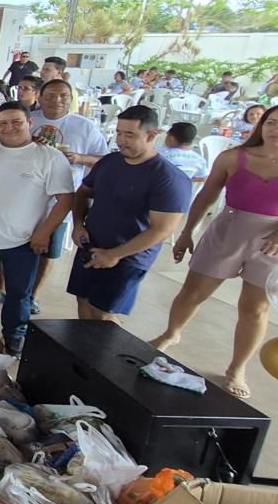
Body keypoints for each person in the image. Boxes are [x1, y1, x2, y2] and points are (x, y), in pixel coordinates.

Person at [153, 105, 278, 399]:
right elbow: (206, 196)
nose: (276, 130)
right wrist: (186, 232)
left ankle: (237, 368)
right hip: (229, 229)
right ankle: (172, 332)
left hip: (272, 240)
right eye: (272, 123)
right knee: (193, 292)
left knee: (255, 308)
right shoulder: (234, 156)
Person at [0, 102, 75, 355]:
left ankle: (14, 334)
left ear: (29, 123)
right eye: (2, 123)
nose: (9, 128)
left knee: (19, 292)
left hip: (24, 240)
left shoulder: (50, 157)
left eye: (16, 122)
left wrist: (44, 232)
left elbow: (66, 199)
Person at [68, 105, 193, 322]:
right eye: (118, 133)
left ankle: (103, 355)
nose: (121, 140)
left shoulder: (168, 178)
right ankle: (82, 352)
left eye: (130, 135)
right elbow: (83, 193)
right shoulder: (109, 162)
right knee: (83, 301)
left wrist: (115, 254)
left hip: (128, 257)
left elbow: (162, 229)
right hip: (92, 245)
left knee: (103, 313)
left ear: (152, 134)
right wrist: (78, 224)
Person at [26, 79, 109, 311]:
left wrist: (79, 159)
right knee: (17, 248)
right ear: (40, 97)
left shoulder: (84, 126)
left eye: (63, 96)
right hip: (26, 196)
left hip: (61, 200)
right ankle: (5, 288)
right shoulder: (28, 120)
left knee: (49, 251)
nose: (57, 100)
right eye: (51, 95)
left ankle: (34, 295)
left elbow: (104, 159)